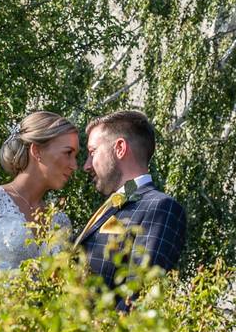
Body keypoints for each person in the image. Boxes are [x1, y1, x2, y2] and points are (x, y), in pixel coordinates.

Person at [75, 110, 186, 291]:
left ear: (120, 148)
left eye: (92, 152)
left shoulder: (159, 208)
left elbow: (140, 292)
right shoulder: (112, 204)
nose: (86, 165)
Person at [0, 111, 79, 269]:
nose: (74, 165)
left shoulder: (60, 222)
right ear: (37, 151)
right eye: (68, 153)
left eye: (76, 156)